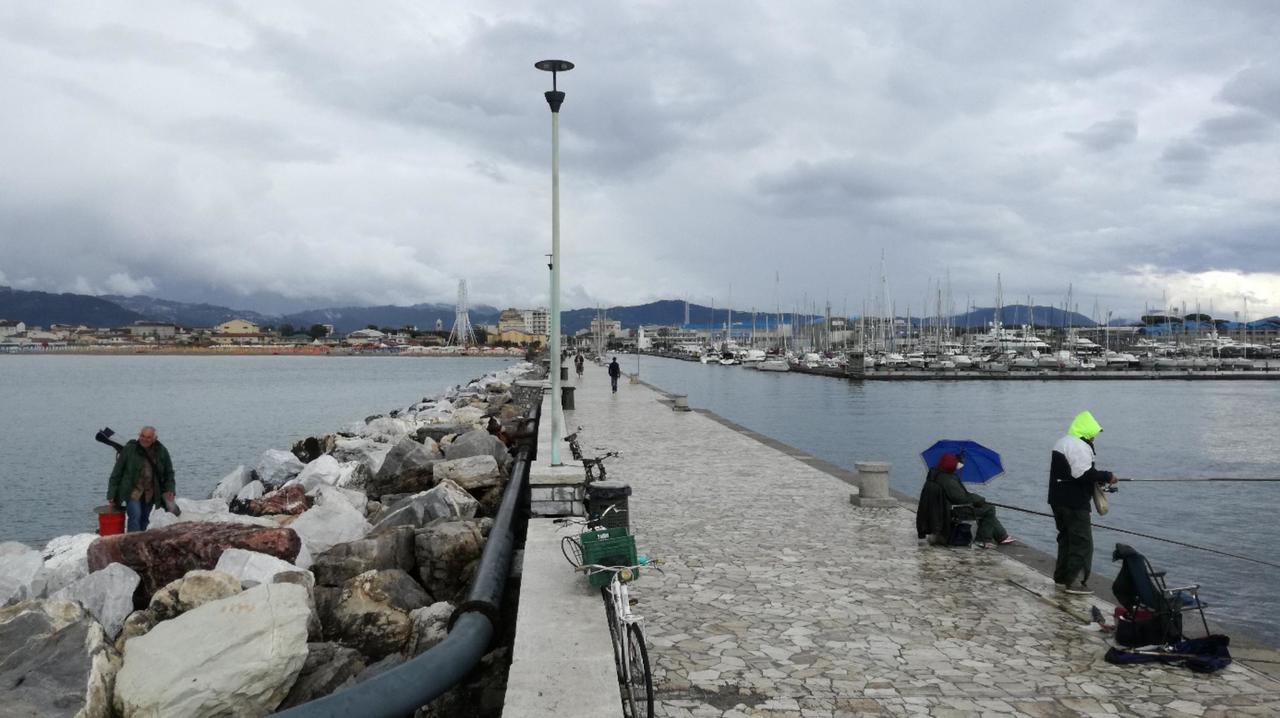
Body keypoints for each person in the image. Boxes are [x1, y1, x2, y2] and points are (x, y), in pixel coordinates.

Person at [1048, 410, 1118, 595]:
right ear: (1087, 432)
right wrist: (1107, 476)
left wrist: (1098, 478)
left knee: (1065, 540)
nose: (1094, 437)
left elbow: (1073, 473)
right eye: (1093, 434)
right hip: (1074, 503)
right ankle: (1075, 582)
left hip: (1057, 500)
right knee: (1082, 542)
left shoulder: (1062, 442)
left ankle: (1061, 578)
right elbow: (1083, 474)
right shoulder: (1078, 445)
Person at [930, 453, 1014, 548]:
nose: (958, 465)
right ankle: (983, 539)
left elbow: (958, 495)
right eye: (956, 463)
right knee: (989, 509)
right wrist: (978, 499)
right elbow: (960, 498)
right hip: (953, 511)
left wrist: (973, 497)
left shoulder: (940, 476)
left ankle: (1002, 536)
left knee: (987, 509)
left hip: (945, 509)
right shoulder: (948, 480)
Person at [107, 425, 176, 532]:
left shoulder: (161, 451)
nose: (145, 439)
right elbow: (117, 472)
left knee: (145, 518)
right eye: (143, 436)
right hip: (132, 491)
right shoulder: (129, 449)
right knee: (135, 516)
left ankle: (140, 541)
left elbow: (169, 472)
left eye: (148, 437)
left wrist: (170, 488)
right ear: (139, 436)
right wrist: (111, 494)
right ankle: (132, 543)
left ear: (154, 439)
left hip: (150, 492)